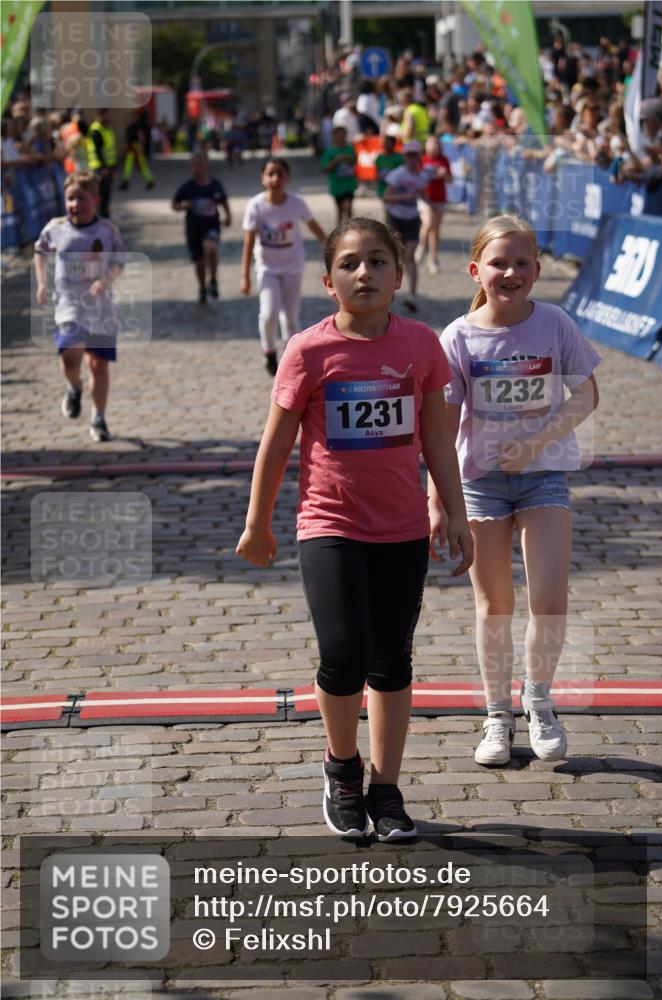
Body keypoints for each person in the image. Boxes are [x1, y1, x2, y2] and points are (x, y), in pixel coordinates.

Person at [236, 217, 473, 840]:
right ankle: (342, 767)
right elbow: (275, 444)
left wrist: (454, 509)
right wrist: (257, 522)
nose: (363, 272)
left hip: (401, 528)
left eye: (377, 261)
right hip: (329, 524)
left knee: (392, 660)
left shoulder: (422, 345)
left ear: (399, 275)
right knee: (343, 657)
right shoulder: (308, 350)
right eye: (349, 264)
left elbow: (438, 440)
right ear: (328, 280)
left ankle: (386, 785)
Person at [428, 215, 600, 767]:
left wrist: (536, 442)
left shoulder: (554, 323)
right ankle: (497, 715)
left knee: (549, 600)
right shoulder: (457, 336)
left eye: (522, 262)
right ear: (476, 270)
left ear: (538, 271)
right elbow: (441, 426)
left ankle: (540, 702)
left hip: (543, 475)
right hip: (478, 484)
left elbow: (586, 395)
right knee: (494, 605)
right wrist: (439, 499)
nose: (511, 272)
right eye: (499, 263)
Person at [34, 171, 124, 442]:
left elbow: (119, 261)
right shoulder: (55, 228)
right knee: (70, 355)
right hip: (69, 303)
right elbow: (40, 251)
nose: (75, 204)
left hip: (100, 306)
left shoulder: (107, 230)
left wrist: (105, 280)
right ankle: (74, 387)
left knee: (98, 365)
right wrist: (41, 282)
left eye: (81, 199)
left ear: (95, 199)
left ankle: (99, 418)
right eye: (70, 198)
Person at [240, 157, 326, 376]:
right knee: (268, 313)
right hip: (267, 268)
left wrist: (332, 248)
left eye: (280, 174)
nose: (275, 178)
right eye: (270, 174)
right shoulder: (256, 206)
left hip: (293, 267)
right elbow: (248, 241)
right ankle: (268, 350)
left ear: (287, 178)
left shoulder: (296, 203)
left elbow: (314, 226)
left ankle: (292, 358)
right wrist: (245, 276)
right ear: (263, 178)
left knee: (291, 317)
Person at [172, 151, 231, 304]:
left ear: (207, 166)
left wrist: (228, 216)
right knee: (199, 262)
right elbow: (174, 204)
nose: (197, 168)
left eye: (200, 164)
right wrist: (184, 206)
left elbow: (223, 201)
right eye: (194, 165)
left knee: (210, 247)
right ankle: (202, 287)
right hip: (193, 228)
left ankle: (213, 279)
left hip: (211, 224)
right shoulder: (188, 187)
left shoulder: (215, 185)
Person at [383, 139, 429, 312]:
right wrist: (404, 197)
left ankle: (412, 294)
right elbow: (386, 197)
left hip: (412, 219)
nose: (412, 159)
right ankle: (389, 293)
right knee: (394, 257)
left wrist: (431, 206)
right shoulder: (398, 174)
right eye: (409, 155)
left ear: (419, 157)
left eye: (415, 155)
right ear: (404, 157)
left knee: (409, 256)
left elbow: (423, 196)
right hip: (395, 218)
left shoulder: (422, 177)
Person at [416, 135, 451, 274]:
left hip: (440, 197)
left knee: (435, 230)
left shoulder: (443, 160)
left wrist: (445, 174)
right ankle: (421, 247)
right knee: (428, 223)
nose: (434, 146)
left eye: (437, 144)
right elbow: (416, 179)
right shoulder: (421, 160)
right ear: (426, 146)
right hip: (425, 198)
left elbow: (450, 180)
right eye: (431, 143)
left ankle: (433, 259)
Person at [321, 125, 358, 224]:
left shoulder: (350, 148)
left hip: (349, 185)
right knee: (340, 211)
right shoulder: (330, 151)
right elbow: (324, 169)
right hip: (336, 186)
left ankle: (351, 228)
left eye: (344, 135)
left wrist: (346, 158)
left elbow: (354, 161)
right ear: (334, 136)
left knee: (348, 208)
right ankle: (339, 233)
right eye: (339, 135)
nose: (342, 137)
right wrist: (335, 161)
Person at [86, 109, 118, 218]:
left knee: (106, 195)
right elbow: (98, 150)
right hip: (99, 168)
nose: (106, 117)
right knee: (100, 195)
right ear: (97, 116)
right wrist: (104, 167)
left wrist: (114, 167)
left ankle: (105, 217)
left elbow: (112, 150)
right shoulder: (96, 130)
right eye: (104, 115)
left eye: (107, 114)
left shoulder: (107, 129)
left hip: (109, 167)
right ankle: (99, 218)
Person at [118, 109, 154, 191]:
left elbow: (141, 136)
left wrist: (141, 147)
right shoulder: (130, 126)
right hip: (131, 147)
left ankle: (150, 180)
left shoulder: (136, 125)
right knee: (128, 166)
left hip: (136, 147)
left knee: (142, 165)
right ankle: (125, 182)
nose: (129, 118)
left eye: (132, 116)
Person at [374, 133, 403, 208]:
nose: (386, 144)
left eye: (388, 142)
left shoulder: (399, 158)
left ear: (393, 144)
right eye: (384, 142)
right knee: (386, 208)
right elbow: (377, 172)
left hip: (394, 189)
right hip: (382, 188)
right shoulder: (379, 158)